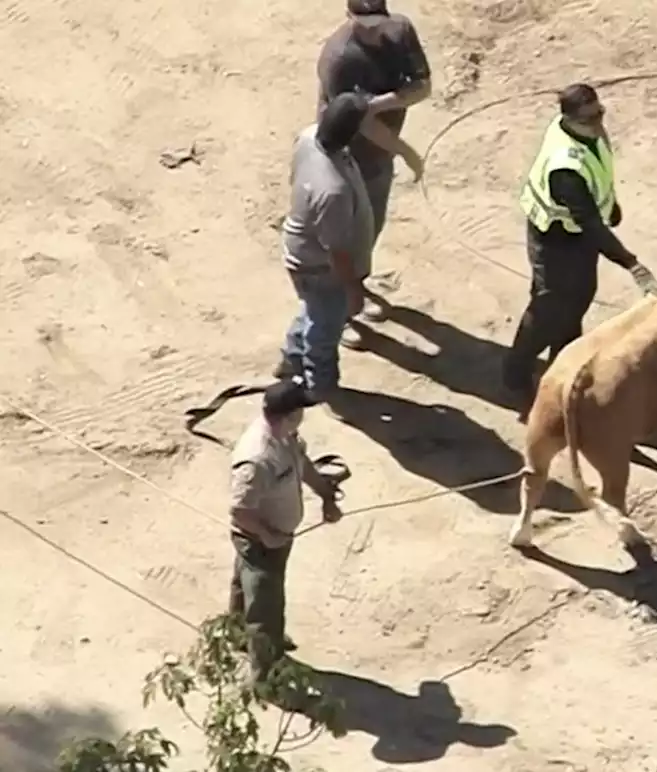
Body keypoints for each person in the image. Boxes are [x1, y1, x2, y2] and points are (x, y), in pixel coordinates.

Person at [503, 83, 657, 403]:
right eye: (590, 117)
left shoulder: (587, 134)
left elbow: (599, 178)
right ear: (569, 119)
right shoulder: (566, 166)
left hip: (577, 235)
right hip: (555, 238)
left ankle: (561, 366)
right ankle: (516, 374)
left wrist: (612, 204)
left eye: (600, 113)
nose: (598, 122)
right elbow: (589, 224)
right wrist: (632, 264)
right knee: (549, 307)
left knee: (578, 300)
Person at [317, 0, 430, 349]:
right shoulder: (340, 59)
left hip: (378, 157)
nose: (372, 31)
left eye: (376, 24)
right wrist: (406, 151)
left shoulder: (401, 30)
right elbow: (360, 124)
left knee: (370, 228)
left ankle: (356, 289)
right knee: (345, 239)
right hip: (347, 157)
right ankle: (339, 314)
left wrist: (374, 103)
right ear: (349, 17)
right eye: (363, 25)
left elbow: (423, 87)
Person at [228, 378, 343, 682]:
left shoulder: (286, 436)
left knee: (245, 583)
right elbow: (240, 511)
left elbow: (301, 465)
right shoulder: (256, 458)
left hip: (277, 537)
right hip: (260, 541)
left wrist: (326, 495)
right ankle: (266, 676)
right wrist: (268, 536)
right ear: (289, 415)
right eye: (301, 410)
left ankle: (236, 632)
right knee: (267, 606)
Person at [277, 92, 375, 402]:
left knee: (314, 310)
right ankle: (319, 386)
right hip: (319, 266)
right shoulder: (333, 191)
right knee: (325, 327)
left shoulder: (308, 137)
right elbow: (337, 251)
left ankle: (291, 358)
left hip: (303, 253)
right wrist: (353, 289)